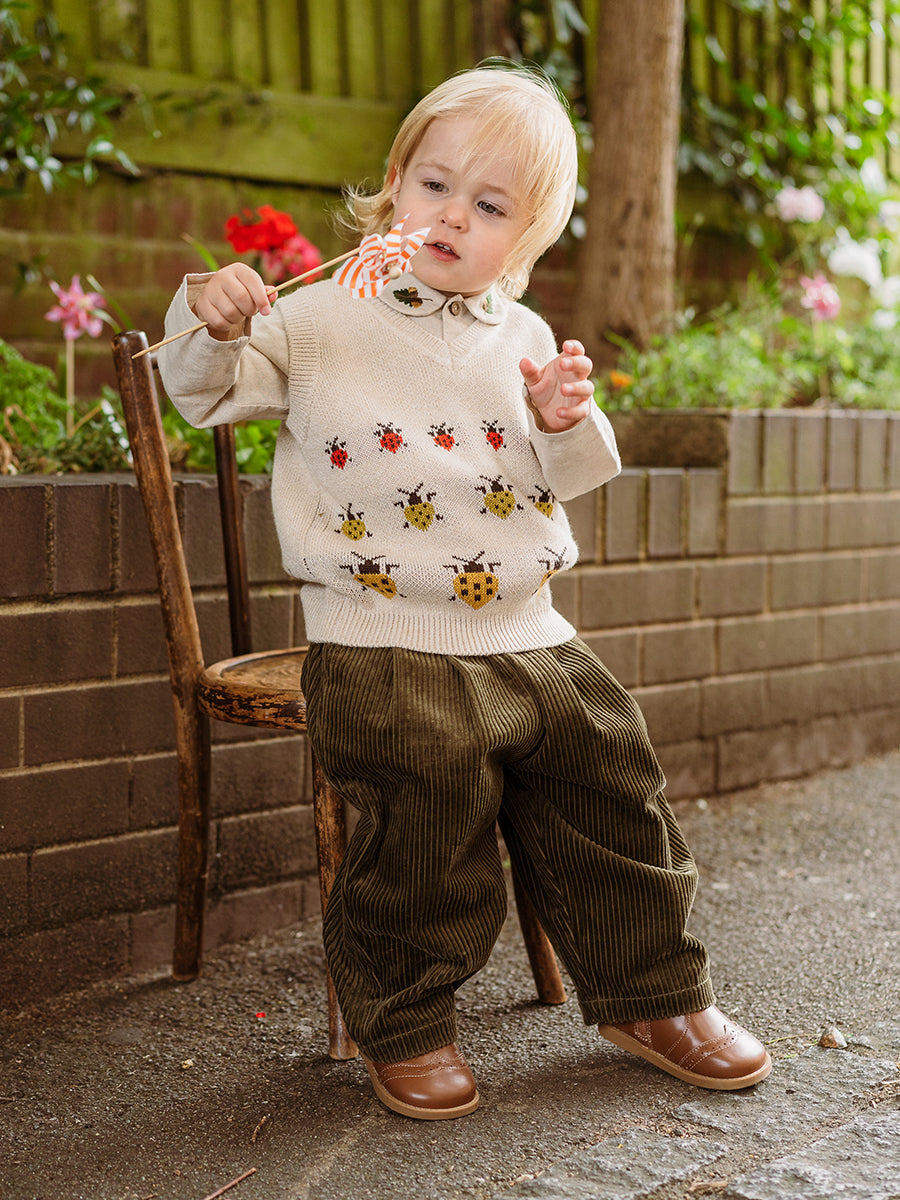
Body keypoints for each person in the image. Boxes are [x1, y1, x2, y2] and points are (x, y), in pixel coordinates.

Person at [159, 64, 771, 1120]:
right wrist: (211, 317)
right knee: (426, 804)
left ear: (526, 239)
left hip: (529, 628)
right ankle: (405, 1021)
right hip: (384, 633)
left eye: (490, 207)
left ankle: (652, 994)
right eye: (435, 184)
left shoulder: (523, 338)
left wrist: (563, 417)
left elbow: (573, 474)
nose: (452, 215)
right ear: (395, 182)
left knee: (612, 775)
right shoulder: (314, 320)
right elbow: (205, 391)